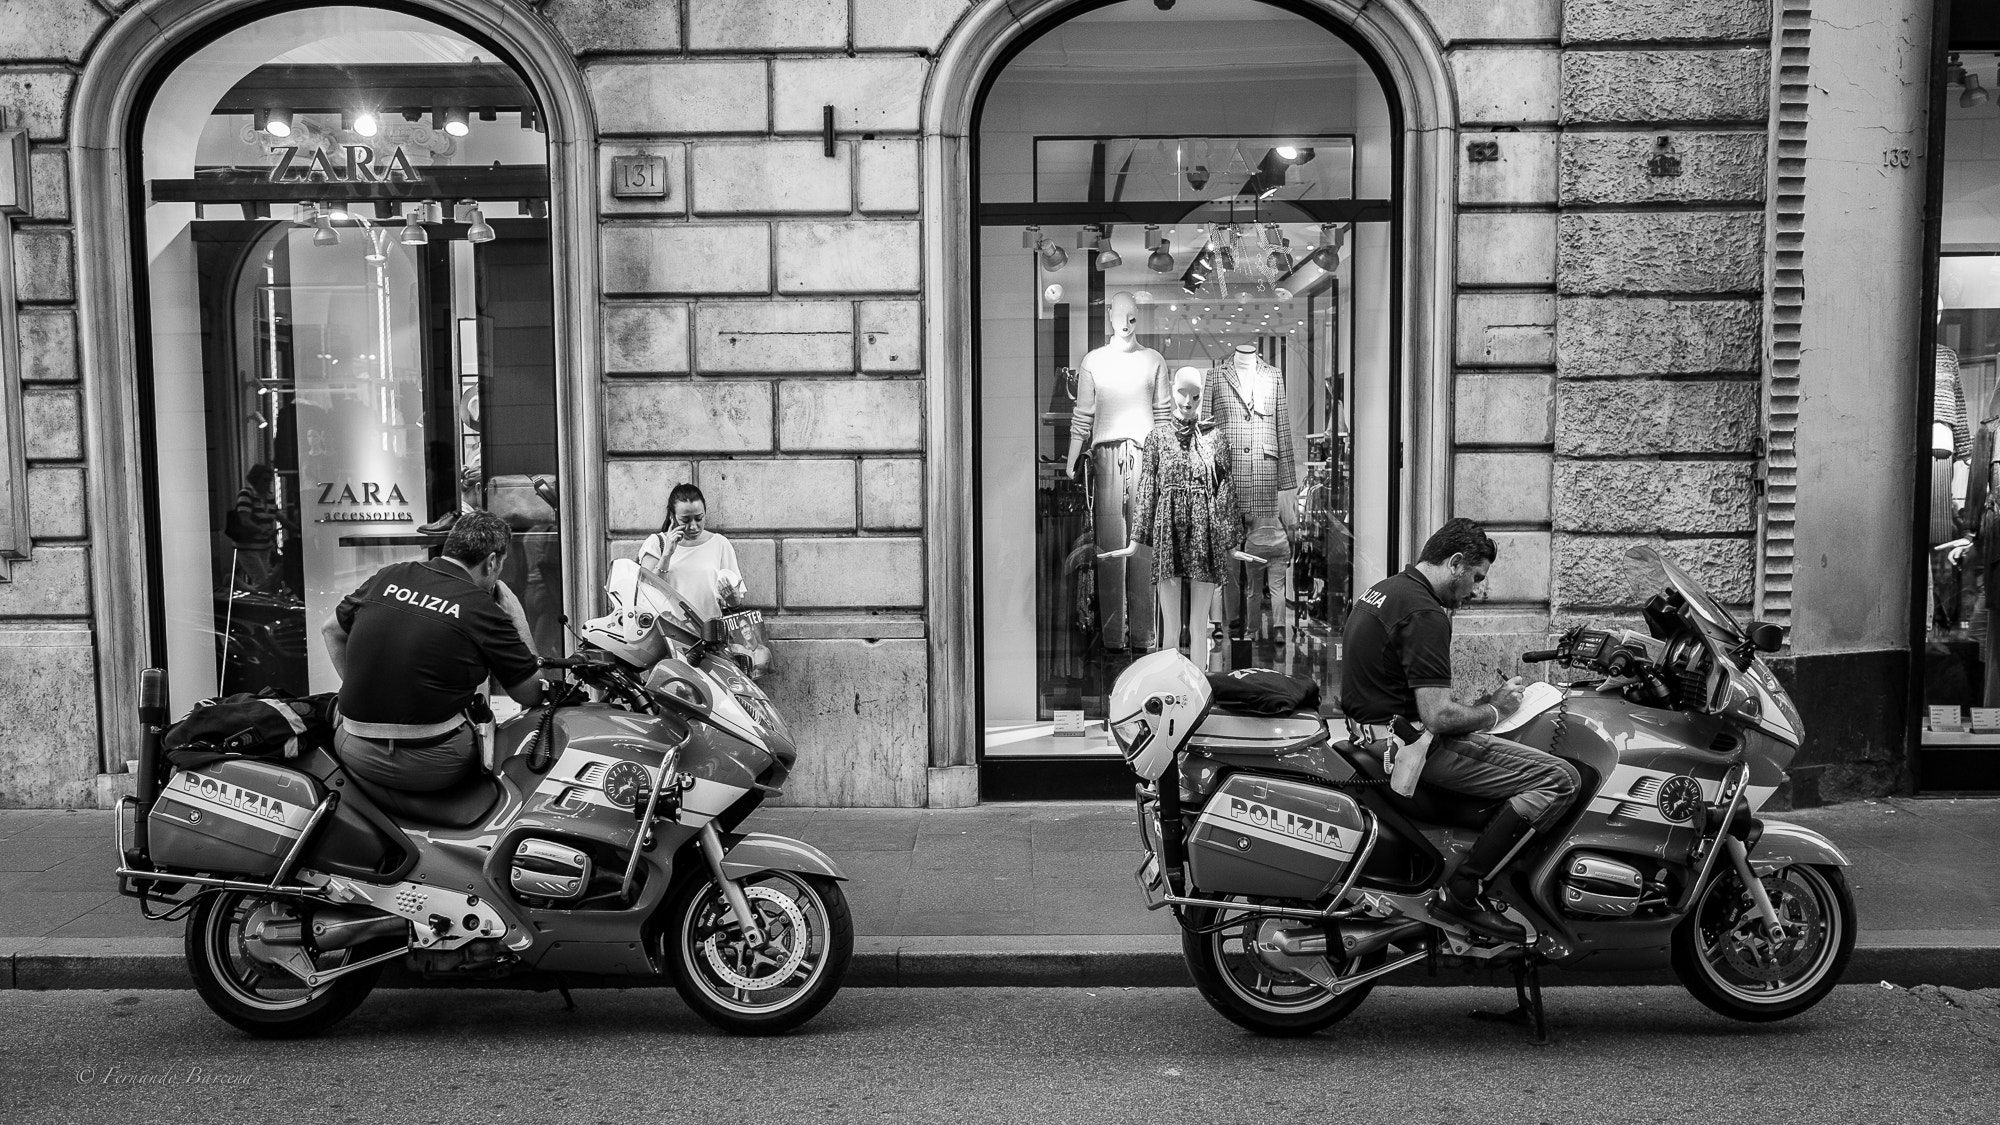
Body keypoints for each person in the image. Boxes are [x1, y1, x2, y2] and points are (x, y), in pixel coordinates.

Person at [1339, 518, 1580, 941]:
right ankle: (1464, 893)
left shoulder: (1386, 590)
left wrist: (1483, 706)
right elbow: (1437, 718)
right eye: (1476, 578)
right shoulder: (1426, 613)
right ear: (1454, 563)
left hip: (1373, 735)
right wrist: (1496, 710)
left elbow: (1410, 694)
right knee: (1559, 778)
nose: (1474, 591)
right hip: (1408, 748)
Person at [321, 510, 548, 792]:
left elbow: (331, 629)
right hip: (432, 763)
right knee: (508, 741)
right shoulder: (482, 608)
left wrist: (366, 690)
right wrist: (518, 618)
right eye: (501, 565)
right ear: (491, 562)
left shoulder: (389, 575)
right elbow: (533, 693)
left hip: (352, 745)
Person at [637, 483, 745, 626]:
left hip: (709, 636)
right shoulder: (656, 543)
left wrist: (734, 600)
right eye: (685, 520)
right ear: (672, 516)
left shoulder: (720, 544)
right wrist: (667, 555)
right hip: (668, 635)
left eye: (699, 518)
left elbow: (734, 601)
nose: (693, 526)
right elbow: (647, 592)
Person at [229, 463, 284, 592]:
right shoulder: (246, 495)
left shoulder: (269, 497)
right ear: (256, 479)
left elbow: (279, 516)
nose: (267, 484)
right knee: (263, 582)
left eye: (269, 480)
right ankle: (239, 587)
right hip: (248, 547)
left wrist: (297, 527)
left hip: (264, 547)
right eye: (265, 480)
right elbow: (245, 520)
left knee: (264, 582)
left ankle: (236, 584)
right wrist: (263, 531)